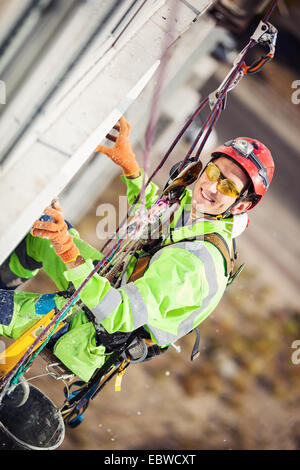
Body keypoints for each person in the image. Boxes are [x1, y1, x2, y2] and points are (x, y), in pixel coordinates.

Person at [0, 117, 274, 382]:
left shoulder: (194, 265)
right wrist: (130, 166)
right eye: (214, 172)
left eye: (227, 186)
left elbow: (116, 313)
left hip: (91, 333)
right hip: (109, 283)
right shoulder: (203, 215)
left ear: (241, 205)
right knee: (40, 228)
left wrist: (69, 252)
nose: (211, 186)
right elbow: (158, 212)